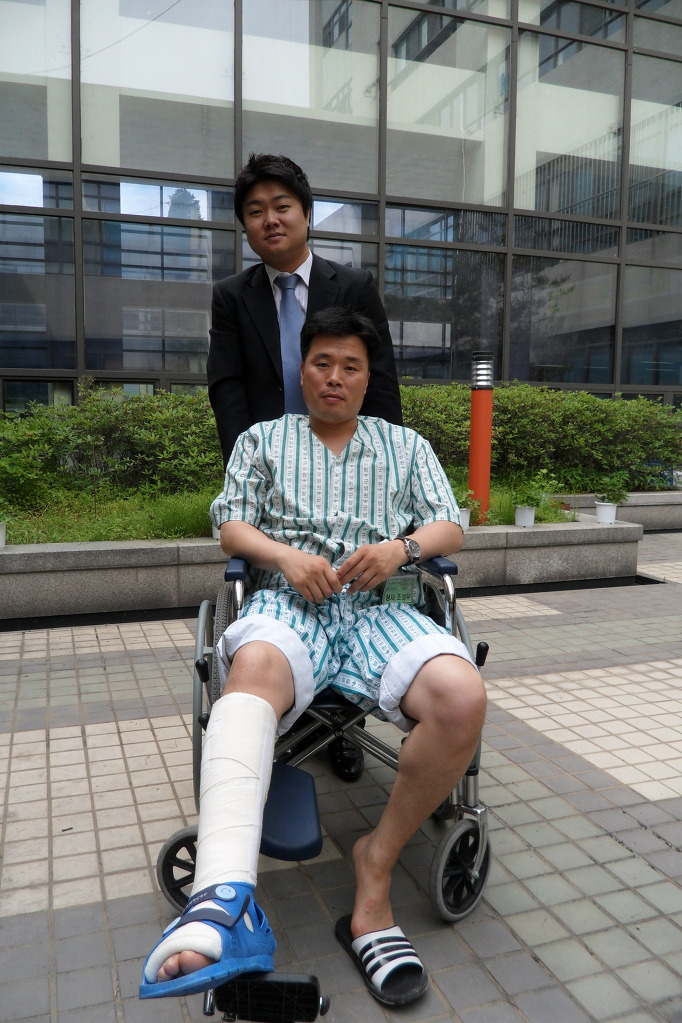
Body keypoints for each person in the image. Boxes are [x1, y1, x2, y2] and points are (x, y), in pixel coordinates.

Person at [141, 308, 486, 1008]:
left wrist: (401, 548)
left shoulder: (404, 445)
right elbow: (231, 525)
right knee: (252, 668)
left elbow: (452, 523)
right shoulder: (263, 439)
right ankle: (221, 900)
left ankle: (375, 865)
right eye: (322, 362)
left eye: (350, 366)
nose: (334, 377)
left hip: (381, 606)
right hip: (288, 603)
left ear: (368, 376)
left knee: (463, 695)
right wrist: (285, 557)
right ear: (302, 371)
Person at [207, 152, 403, 783]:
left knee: (355, 592)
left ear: (307, 214)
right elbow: (227, 388)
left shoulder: (353, 286)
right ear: (244, 225)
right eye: (255, 211)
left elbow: (381, 382)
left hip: (351, 466)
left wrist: (385, 466)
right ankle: (284, 712)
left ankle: (344, 727)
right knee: (284, 594)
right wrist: (252, 473)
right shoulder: (232, 297)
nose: (270, 219)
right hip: (278, 477)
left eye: (281, 206)